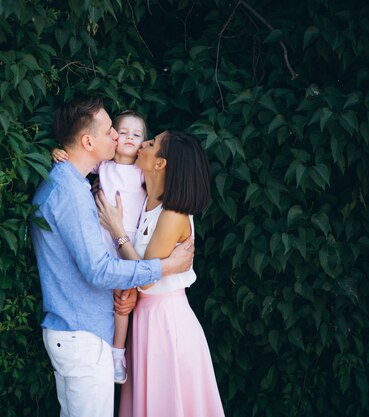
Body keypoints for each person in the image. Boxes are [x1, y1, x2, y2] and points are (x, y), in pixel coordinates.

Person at [30, 97, 195, 417]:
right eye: (110, 132)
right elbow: (99, 271)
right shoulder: (69, 192)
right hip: (82, 334)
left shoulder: (74, 183)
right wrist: (165, 266)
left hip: (83, 332)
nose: (118, 137)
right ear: (88, 141)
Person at [96, 130, 225, 417]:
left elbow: (146, 274)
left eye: (151, 144)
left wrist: (117, 231)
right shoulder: (145, 200)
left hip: (167, 325)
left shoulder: (173, 215)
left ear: (160, 164)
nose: (142, 144)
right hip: (146, 319)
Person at [51, 110, 148, 384]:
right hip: (101, 237)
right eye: (122, 132)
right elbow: (76, 158)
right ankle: (107, 349)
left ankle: (118, 352)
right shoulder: (102, 166)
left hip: (127, 241)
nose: (128, 138)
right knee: (104, 291)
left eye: (137, 135)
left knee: (123, 300)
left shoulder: (142, 171)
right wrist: (55, 152)